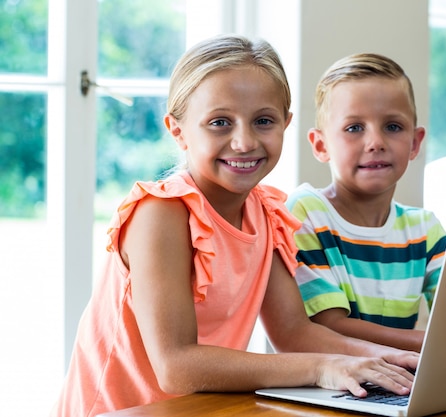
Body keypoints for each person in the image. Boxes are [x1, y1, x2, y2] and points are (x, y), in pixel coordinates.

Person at [51, 36, 419, 417]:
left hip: (199, 410)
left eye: (263, 121)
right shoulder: (160, 213)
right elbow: (175, 367)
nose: (244, 142)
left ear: (285, 124)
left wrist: (398, 360)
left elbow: (295, 333)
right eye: (220, 122)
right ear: (177, 131)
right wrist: (322, 366)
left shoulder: (267, 212)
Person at [286, 53, 446, 353]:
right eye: (354, 128)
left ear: (415, 143)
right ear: (321, 146)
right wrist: (429, 344)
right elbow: (329, 326)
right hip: (321, 387)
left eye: (393, 127)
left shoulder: (425, 229)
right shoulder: (306, 212)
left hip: (396, 381)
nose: (376, 142)